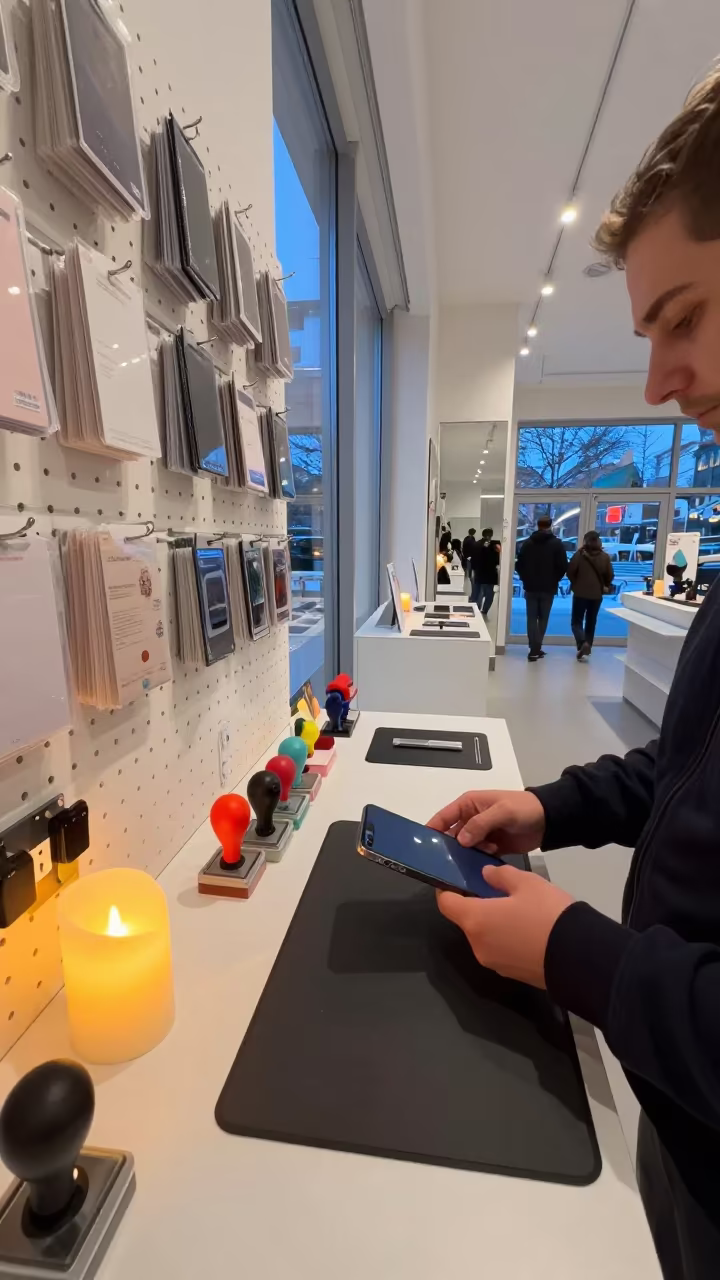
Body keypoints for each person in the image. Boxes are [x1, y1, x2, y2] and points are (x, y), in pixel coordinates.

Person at [428, 64, 720, 1280]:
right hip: (678, 1120)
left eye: (686, 318)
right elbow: (687, 764)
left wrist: (572, 951)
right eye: (648, 331)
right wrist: (551, 803)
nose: (657, 380)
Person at [515, 515, 568, 661]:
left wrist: (525, 578)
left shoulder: (527, 544)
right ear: (550, 526)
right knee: (543, 618)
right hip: (548, 587)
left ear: (537, 525)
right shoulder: (557, 544)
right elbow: (563, 566)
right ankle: (536, 648)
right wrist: (554, 578)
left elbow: (519, 564)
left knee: (531, 618)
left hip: (530, 587)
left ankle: (534, 648)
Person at [567, 530, 614, 660]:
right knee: (591, 621)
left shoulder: (579, 555)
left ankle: (582, 643)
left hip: (580, 593)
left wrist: (576, 583)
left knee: (576, 621)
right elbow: (610, 575)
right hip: (596, 595)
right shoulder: (605, 557)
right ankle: (588, 645)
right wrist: (604, 584)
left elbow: (570, 571)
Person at [469, 528, 500, 615]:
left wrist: (474, 569)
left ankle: (476, 609)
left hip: (479, 572)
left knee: (478, 592)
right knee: (489, 593)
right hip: (490, 573)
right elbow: (497, 560)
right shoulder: (495, 546)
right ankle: (485, 610)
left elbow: (473, 559)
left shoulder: (476, 544)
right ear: (491, 535)